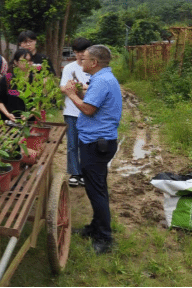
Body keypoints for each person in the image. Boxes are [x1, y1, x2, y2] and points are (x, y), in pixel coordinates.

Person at [64, 45, 122, 255]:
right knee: (96, 187)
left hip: (96, 143)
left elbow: (88, 109)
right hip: (98, 141)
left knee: (96, 190)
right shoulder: (102, 78)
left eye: (85, 58)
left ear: (94, 63)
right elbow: (92, 101)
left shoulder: (102, 81)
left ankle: (104, 238)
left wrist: (71, 94)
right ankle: (95, 227)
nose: (81, 60)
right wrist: (80, 92)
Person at [60, 38, 92, 188]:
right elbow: (62, 87)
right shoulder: (69, 68)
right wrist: (72, 88)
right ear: (74, 52)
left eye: (83, 51)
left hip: (89, 111)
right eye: (78, 51)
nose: (80, 54)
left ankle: (86, 172)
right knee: (72, 144)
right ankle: (75, 173)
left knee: (87, 144)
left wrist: (83, 87)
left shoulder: (93, 68)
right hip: (71, 111)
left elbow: (98, 87)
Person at [0, 49, 33, 121]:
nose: (27, 63)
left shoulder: (35, 79)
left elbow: (39, 103)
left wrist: (28, 115)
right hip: (10, 120)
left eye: (29, 60)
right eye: (24, 60)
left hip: (29, 121)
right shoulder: (7, 78)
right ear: (15, 62)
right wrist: (7, 114)